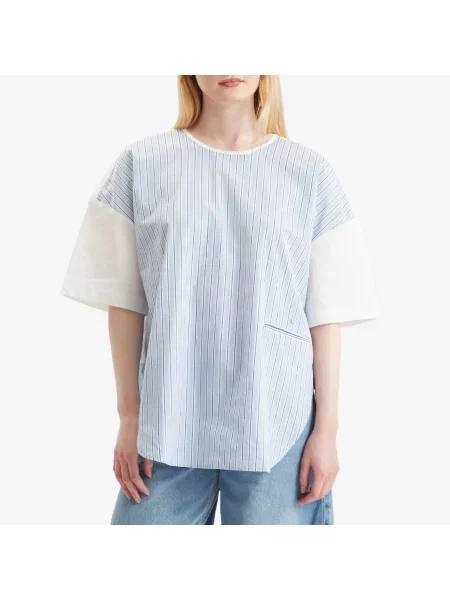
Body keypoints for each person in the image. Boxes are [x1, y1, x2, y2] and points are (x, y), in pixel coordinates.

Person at [61, 75, 379, 525]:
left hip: (275, 418)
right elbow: (125, 301)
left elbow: (326, 313)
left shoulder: (309, 173)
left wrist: (326, 431)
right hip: (168, 418)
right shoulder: (142, 164)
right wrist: (129, 416)